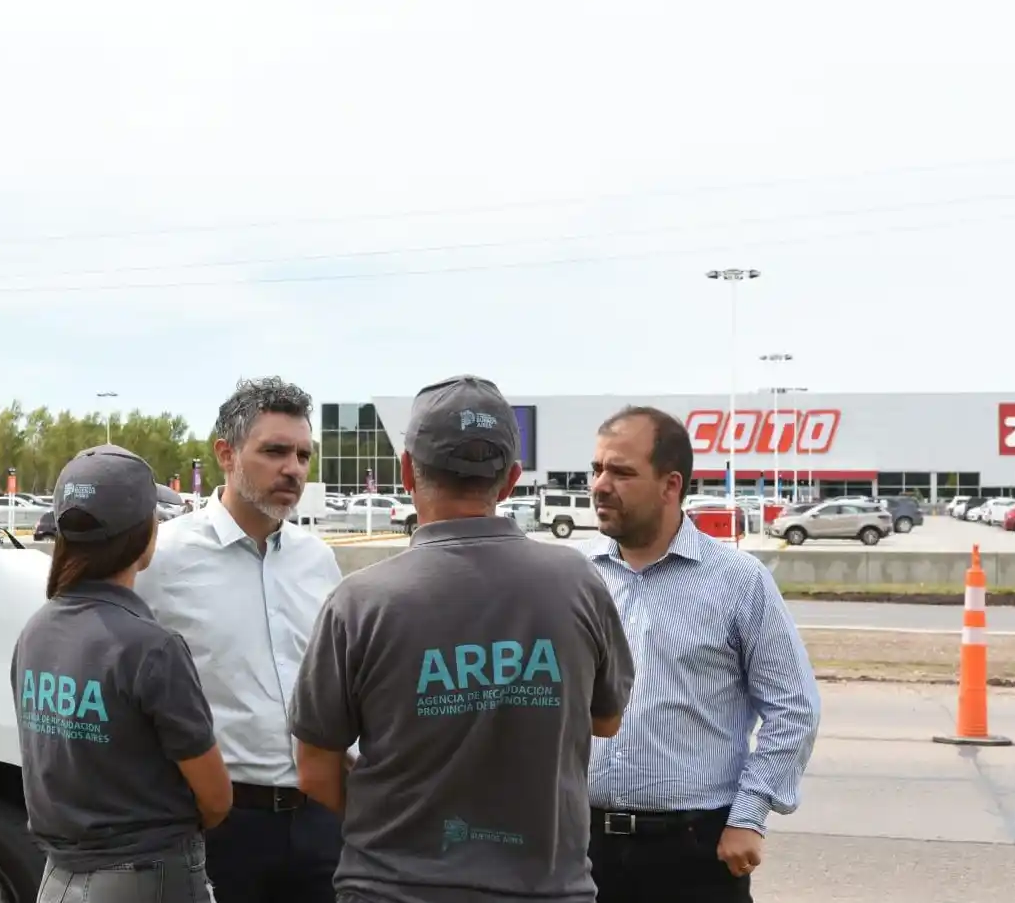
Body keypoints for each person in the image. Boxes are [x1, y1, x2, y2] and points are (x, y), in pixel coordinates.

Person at [289, 374, 635, 903]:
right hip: (544, 890)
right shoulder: (579, 583)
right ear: (513, 478)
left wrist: (399, 821)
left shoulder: (360, 602)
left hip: (393, 887)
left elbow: (314, 770)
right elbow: (605, 720)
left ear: (407, 470)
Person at [580, 406, 821, 903]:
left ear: (671, 485)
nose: (600, 485)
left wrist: (749, 815)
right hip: (582, 850)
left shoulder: (738, 581)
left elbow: (793, 707)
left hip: (695, 853)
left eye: (621, 472)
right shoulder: (575, 577)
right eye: (597, 469)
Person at [137, 377, 344, 903]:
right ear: (226, 454)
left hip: (320, 821)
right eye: (275, 451)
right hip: (217, 825)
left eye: (303, 454)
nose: (293, 469)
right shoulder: (163, 560)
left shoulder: (317, 561)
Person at [11, 444, 233, 902]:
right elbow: (216, 798)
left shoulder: (36, 632)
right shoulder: (152, 647)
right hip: (144, 881)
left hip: (56, 880)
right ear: (144, 536)